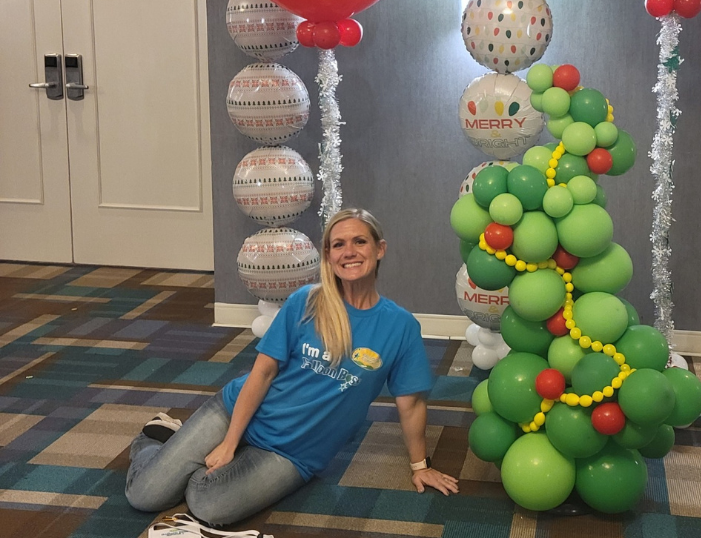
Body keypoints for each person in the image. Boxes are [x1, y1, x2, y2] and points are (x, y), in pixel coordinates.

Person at [125, 208, 459, 525]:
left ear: (379, 249)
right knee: (145, 496)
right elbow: (263, 373)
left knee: (208, 502)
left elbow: (411, 404)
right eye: (338, 244)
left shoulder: (399, 326)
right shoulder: (305, 301)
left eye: (360, 241)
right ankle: (156, 439)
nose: (349, 252)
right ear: (328, 255)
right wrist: (228, 442)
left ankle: (186, 455)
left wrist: (420, 466)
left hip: (295, 453)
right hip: (240, 410)